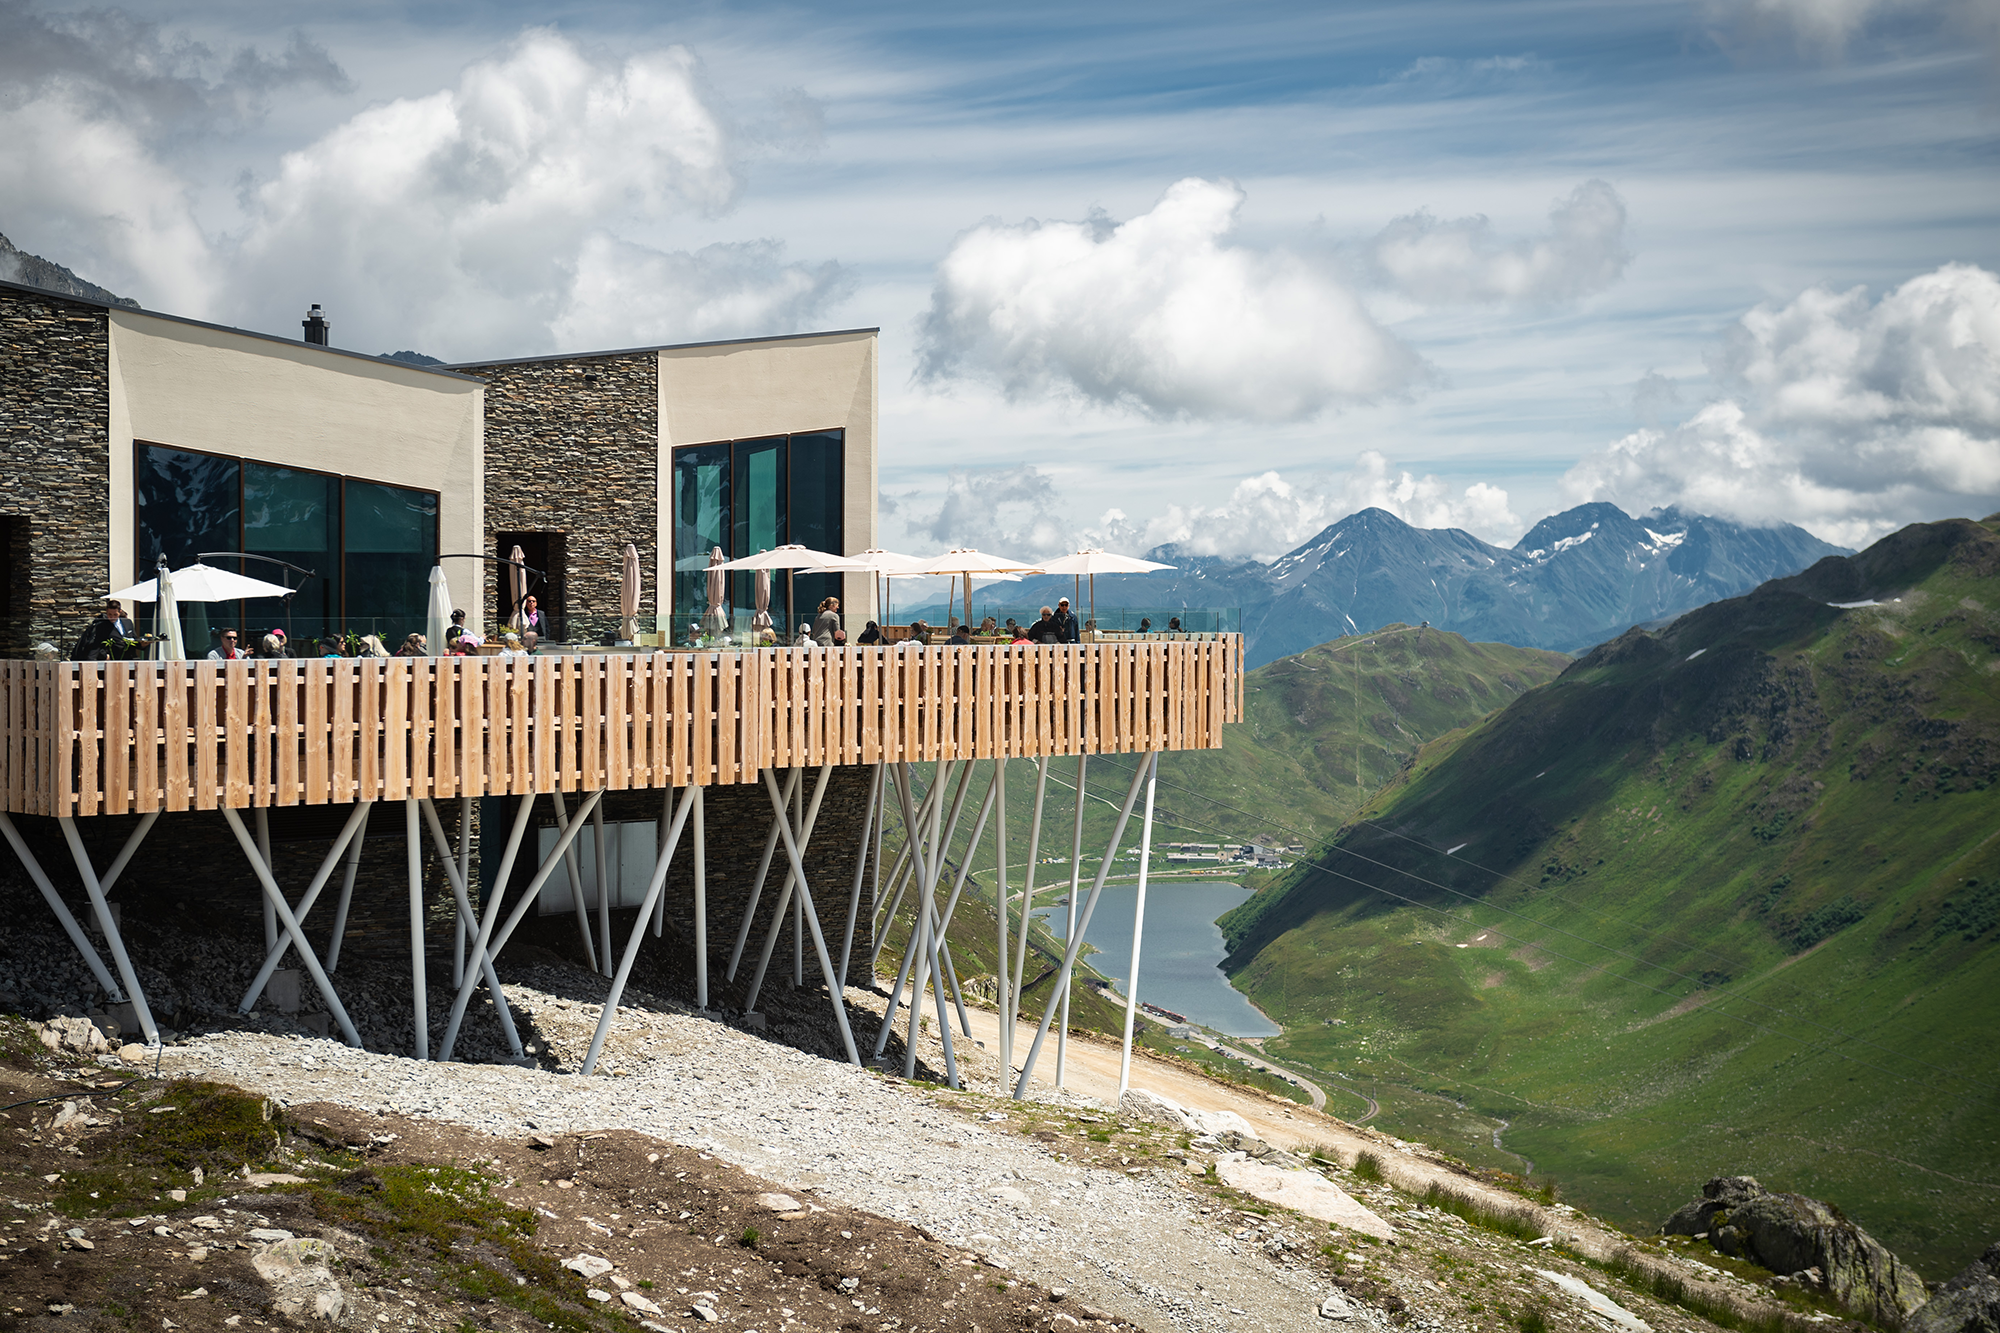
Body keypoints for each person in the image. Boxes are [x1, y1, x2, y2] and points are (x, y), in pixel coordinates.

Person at [73, 600, 137, 660]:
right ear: (106, 612)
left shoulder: (128, 622)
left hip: (129, 659)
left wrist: (143, 644)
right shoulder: (101, 626)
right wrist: (102, 656)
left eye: (115, 614)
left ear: (120, 612)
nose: (112, 617)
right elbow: (95, 645)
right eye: (109, 614)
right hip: (113, 660)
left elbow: (135, 639)